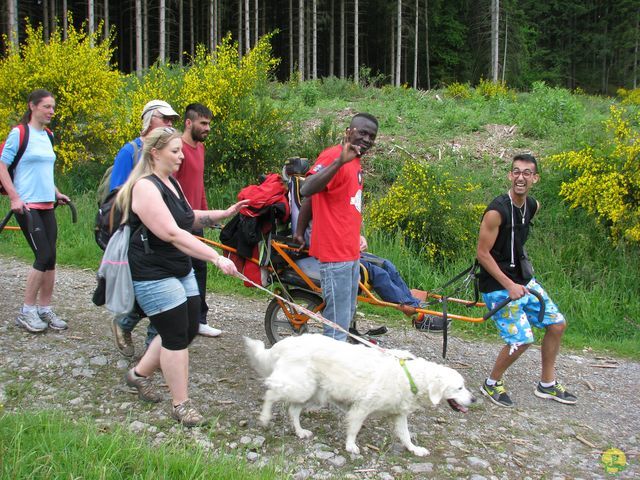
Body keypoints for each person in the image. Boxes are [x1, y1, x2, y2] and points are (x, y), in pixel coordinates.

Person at [115, 127, 245, 426]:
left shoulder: (170, 182)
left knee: (187, 329)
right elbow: (171, 232)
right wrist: (215, 257)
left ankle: (137, 375)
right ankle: (181, 404)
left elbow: (187, 218)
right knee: (175, 335)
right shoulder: (145, 188)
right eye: (175, 151)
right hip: (153, 271)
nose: (181, 156)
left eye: (181, 150)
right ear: (155, 153)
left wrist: (223, 213)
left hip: (178, 266)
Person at [477, 153, 577, 407]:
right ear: (510, 176)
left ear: (535, 178)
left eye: (527, 173)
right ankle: (491, 383)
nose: (521, 177)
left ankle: (547, 383)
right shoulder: (496, 212)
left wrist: (518, 279)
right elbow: (482, 254)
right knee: (521, 339)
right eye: (516, 172)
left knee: (557, 324)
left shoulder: (532, 206)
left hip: (523, 281)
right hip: (497, 285)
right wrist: (508, 285)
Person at [298, 113, 378, 341]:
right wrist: (338, 162)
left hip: (350, 251)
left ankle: (335, 364)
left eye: (371, 136)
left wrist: (357, 235)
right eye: (362, 132)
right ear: (348, 131)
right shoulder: (335, 156)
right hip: (335, 255)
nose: (367, 139)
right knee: (337, 328)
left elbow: (344, 204)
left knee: (346, 318)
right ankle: (327, 373)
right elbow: (307, 190)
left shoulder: (355, 160)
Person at [109, 100, 180, 357]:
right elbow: (116, 195)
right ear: (150, 119)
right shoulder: (129, 152)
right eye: (165, 119)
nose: (171, 123)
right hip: (139, 235)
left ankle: (151, 345)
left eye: (173, 120)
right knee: (157, 287)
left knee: (168, 286)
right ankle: (134, 331)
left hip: (164, 232)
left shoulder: (170, 152)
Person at [0, 89, 70, 333]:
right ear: (32, 106)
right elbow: (2, 166)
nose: (51, 111)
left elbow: (43, 171)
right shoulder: (19, 134)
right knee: (42, 255)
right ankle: (26, 311)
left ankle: (44, 308)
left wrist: (56, 192)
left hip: (46, 204)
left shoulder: (48, 136)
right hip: (26, 206)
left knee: (51, 257)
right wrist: (14, 197)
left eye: (53, 107)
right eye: (47, 107)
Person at [174, 103, 221, 337]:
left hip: (194, 220)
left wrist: (206, 214)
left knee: (200, 267)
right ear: (188, 123)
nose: (207, 128)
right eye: (203, 123)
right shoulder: (177, 149)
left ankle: (199, 319)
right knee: (180, 269)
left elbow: (198, 184)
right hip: (176, 222)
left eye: (209, 123)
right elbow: (169, 187)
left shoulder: (200, 148)